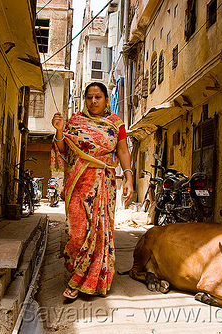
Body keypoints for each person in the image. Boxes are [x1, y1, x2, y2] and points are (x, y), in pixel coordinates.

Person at [51, 82, 133, 299]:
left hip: (103, 183)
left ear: (106, 99)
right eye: (89, 97)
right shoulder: (75, 122)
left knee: (100, 233)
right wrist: (60, 131)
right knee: (77, 233)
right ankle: (78, 274)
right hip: (78, 183)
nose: (93, 101)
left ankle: (85, 282)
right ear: (85, 99)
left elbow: (123, 151)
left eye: (98, 97)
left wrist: (128, 177)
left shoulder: (116, 124)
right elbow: (64, 150)